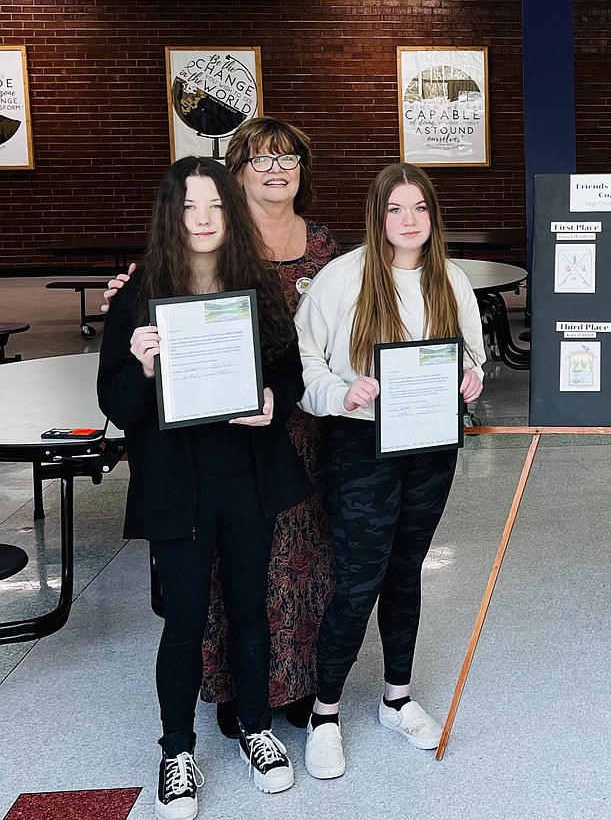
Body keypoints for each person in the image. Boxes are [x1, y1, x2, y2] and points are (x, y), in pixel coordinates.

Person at [105, 118, 340, 734]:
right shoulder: (142, 295)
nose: (204, 218)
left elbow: (293, 369)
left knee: (271, 591)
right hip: (184, 474)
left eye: (215, 206)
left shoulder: (272, 279)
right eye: (191, 207)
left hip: (269, 461)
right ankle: (194, 730)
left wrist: (274, 396)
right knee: (193, 607)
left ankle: (272, 708)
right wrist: (142, 365)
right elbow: (117, 403)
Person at [295, 162, 485, 779]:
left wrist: (471, 380)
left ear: (433, 216)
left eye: (420, 209)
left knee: (406, 572)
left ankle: (395, 698)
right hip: (362, 447)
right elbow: (305, 360)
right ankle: (324, 715)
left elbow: (474, 358)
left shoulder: (449, 278)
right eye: (397, 209)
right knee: (358, 581)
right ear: (378, 216)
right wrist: (341, 394)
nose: (410, 221)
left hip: (432, 448)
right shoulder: (342, 276)